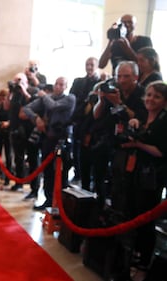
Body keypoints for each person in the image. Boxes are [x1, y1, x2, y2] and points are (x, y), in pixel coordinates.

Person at [113, 81, 167, 281]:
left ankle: (143, 263)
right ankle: (129, 258)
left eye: (157, 96)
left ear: (164, 101)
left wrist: (138, 143)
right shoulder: (143, 115)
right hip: (133, 173)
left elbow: (161, 152)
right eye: (149, 95)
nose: (151, 99)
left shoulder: (164, 120)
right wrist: (133, 124)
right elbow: (134, 132)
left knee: (146, 221)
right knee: (131, 215)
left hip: (152, 177)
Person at [93, 60, 147, 209]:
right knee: (99, 174)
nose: (121, 80)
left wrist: (119, 104)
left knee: (121, 183)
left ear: (135, 77)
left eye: (126, 76)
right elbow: (96, 115)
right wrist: (102, 99)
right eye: (119, 76)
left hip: (128, 145)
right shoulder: (113, 90)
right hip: (109, 138)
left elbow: (140, 118)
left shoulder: (143, 94)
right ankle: (100, 207)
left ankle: (120, 213)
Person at [20, 77, 76, 210]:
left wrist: (44, 96)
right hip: (48, 138)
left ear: (65, 86)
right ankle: (48, 199)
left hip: (63, 140)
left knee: (61, 174)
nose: (57, 87)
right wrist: (36, 118)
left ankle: (62, 203)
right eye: (56, 84)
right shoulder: (47, 98)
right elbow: (27, 108)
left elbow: (54, 106)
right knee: (48, 172)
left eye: (61, 84)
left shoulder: (69, 98)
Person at [69, 57, 101, 183]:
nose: (89, 67)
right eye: (87, 64)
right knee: (76, 149)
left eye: (92, 64)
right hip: (79, 119)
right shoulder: (78, 81)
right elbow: (73, 99)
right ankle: (78, 173)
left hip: (92, 122)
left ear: (97, 66)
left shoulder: (100, 82)